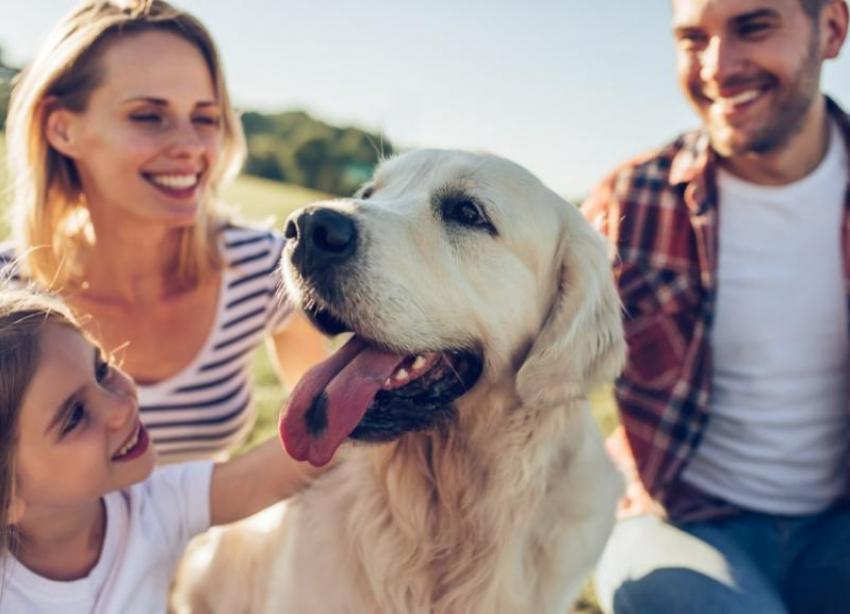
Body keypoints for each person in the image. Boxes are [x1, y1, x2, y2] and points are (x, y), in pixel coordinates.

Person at [582, 1, 850, 613]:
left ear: (831, 29)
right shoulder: (630, 201)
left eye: (753, 27)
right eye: (692, 38)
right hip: (679, 521)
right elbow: (515, 353)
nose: (718, 66)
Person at [1, 0, 328, 462]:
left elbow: (326, 439)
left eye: (205, 118)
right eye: (148, 116)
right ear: (62, 129)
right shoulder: (6, 294)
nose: (191, 147)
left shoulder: (263, 268)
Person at [0, 286, 322, 613]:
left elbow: (270, 473)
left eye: (100, 370)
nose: (121, 406)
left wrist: (355, 392)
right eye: (75, 416)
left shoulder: (150, 508)